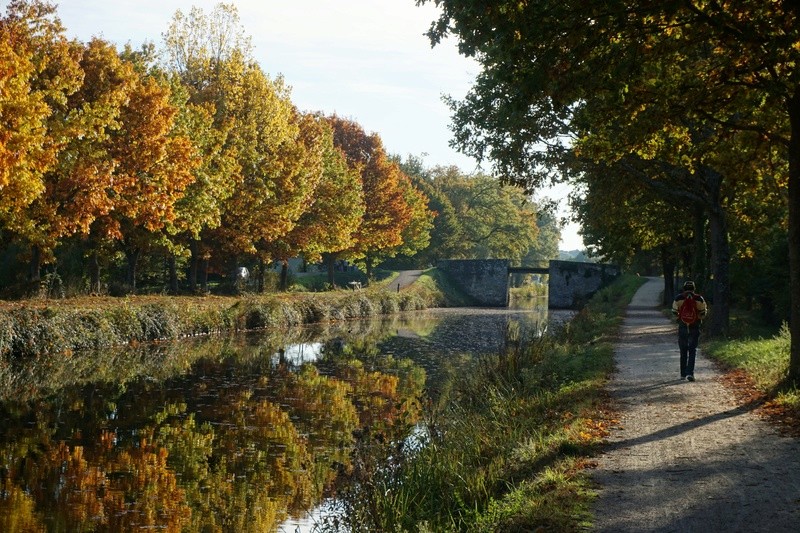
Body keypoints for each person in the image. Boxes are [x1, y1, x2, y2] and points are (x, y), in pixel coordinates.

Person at [671, 280, 708, 381]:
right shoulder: (699, 299)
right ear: (694, 288)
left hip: (683, 326)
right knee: (692, 350)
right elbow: (703, 313)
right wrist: (698, 318)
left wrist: (679, 318)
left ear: (684, 288)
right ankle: (690, 373)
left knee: (683, 350)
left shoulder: (678, 298)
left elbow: (674, 311)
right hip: (694, 326)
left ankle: (683, 374)